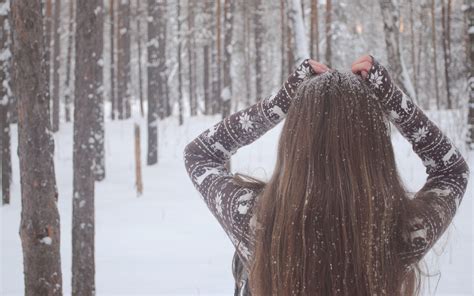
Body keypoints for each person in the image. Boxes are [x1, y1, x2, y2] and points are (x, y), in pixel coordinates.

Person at [183, 55, 469, 295]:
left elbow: (201, 155)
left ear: (294, 143)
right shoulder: (398, 233)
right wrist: (392, 99)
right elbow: (451, 171)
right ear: (376, 151)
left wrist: (280, 103)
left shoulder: (258, 222)